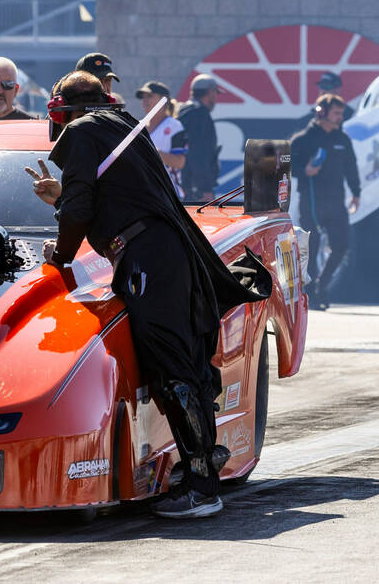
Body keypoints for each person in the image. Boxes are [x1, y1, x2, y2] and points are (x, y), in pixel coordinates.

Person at [25, 71, 269, 519]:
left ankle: (201, 488)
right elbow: (113, 196)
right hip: (167, 253)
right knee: (185, 365)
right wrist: (64, 197)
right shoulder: (123, 126)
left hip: (148, 259)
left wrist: (59, 255)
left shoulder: (81, 131)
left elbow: (81, 209)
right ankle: (205, 461)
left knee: (172, 367)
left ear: (66, 110)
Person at [289, 93, 361, 310]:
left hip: (337, 200)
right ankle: (310, 293)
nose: (340, 117)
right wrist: (305, 171)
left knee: (342, 244)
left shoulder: (342, 138)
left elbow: (351, 167)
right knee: (311, 245)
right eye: (336, 113)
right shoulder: (302, 139)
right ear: (321, 113)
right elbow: (287, 166)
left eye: (341, 113)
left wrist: (356, 193)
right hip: (311, 200)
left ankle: (321, 285)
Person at [136, 80, 186, 198]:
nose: (145, 101)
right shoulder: (138, 127)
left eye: (150, 96)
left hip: (169, 194)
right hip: (143, 192)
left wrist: (152, 151)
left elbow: (180, 162)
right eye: (143, 97)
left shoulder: (174, 126)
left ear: (163, 100)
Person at [178, 73, 221, 201]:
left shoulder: (182, 111)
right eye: (215, 94)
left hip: (184, 184)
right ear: (211, 92)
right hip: (195, 189)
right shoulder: (200, 114)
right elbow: (198, 154)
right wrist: (205, 189)